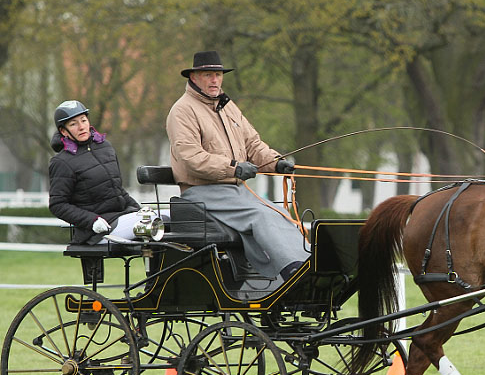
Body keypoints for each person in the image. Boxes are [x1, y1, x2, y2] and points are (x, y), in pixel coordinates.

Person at [166, 50, 307, 280]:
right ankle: (292, 269)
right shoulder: (182, 111)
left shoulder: (228, 107)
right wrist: (234, 167)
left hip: (235, 191)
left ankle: (306, 263)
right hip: (202, 192)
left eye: (218, 75)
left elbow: (253, 145)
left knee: (278, 211)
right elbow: (191, 158)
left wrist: (276, 163)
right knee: (261, 216)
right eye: (208, 75)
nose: (215, 80)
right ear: (194, 77)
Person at [48, 100, 146, 244]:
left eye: (83, 120)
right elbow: (57, 205)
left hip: (122, 217)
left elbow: (117, 190)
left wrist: (139, 210)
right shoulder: (61, 162)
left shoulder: (105, 147)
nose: (81, 127)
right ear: (64, 131)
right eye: (73, 124)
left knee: (168, 220)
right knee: (155, 225)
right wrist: (92, 221)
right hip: (96, 230)